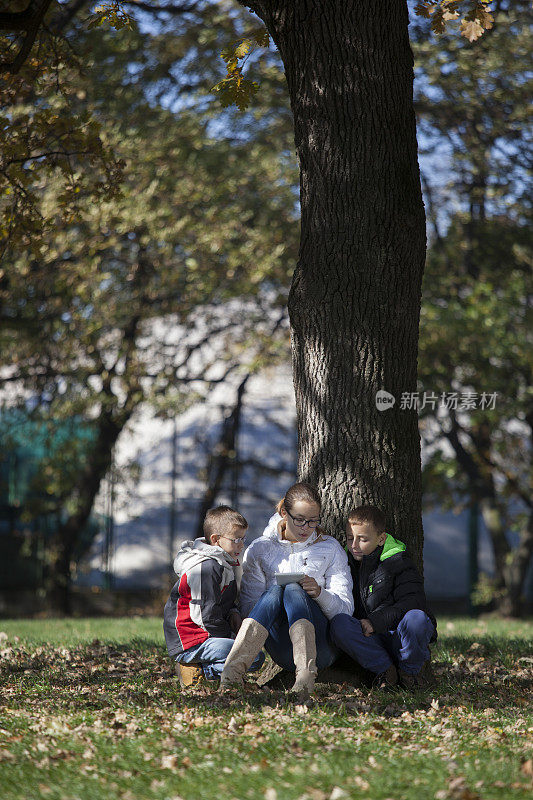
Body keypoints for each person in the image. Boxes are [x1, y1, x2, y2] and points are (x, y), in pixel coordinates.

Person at [219, 482, 353, 695]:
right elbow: (249, 608)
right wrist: (277, 598)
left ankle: (305, 678)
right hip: (281, 647)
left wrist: (319, 593)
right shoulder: (260, 549)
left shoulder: (330, 548)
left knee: (293, 589)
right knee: (275, 591)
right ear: (284, 513)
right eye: (299, 520)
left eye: (312, 521)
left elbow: (345, 610)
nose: (306, 528)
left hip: (322, 647)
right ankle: (231, 675)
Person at [330, 505, 437, 689]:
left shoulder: (398, 561)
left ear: (381, 539)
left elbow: (413, 601)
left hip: (398, 636)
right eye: (349, 538)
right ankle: (386, 672)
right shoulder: (342, 562)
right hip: (369, 640)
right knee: (339, 623)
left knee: (417, 618)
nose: (354, 545)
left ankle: (409, 673)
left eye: (362, 539)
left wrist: (375, 621)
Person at [163, 505, 264, 688]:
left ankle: (203, 669)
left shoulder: (224, 563)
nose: (241, 544)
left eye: (243, 539)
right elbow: (204, 615)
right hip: (192, 640)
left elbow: (223, 599)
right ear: (216, 540)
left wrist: (233, 612)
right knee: (252, 655)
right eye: (236, 539)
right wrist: (231, 636)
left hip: (207, 636)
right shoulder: (206, 568)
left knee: (254, 656)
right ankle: (199, 671)